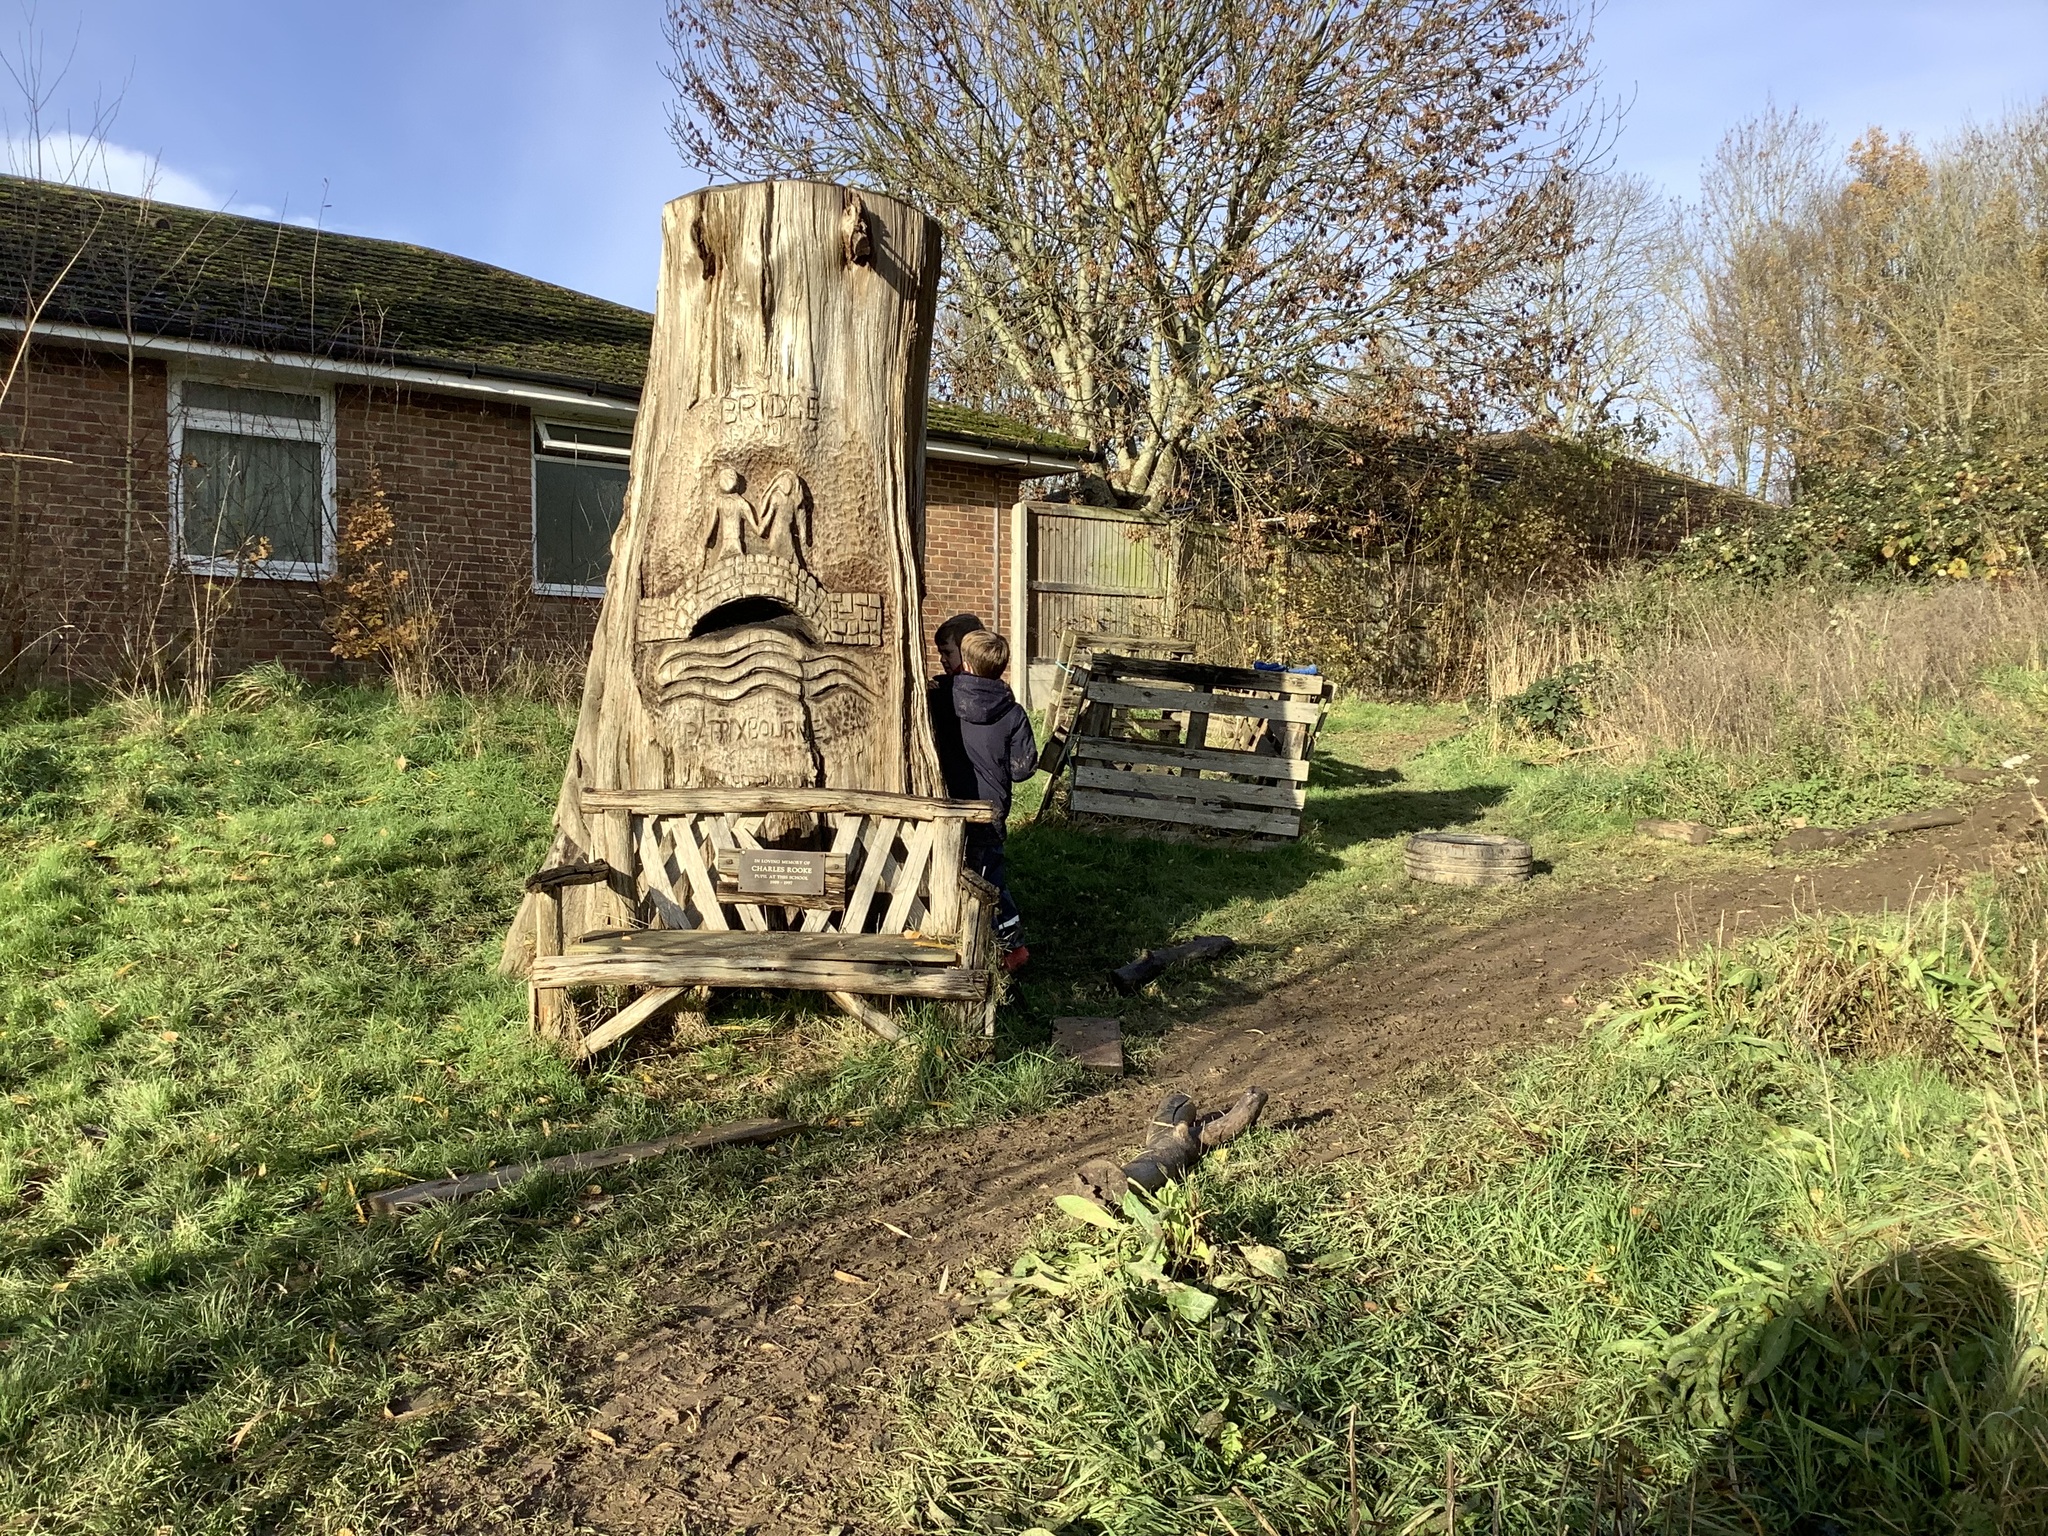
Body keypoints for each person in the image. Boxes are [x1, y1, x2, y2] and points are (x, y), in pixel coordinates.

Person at [932, 624, 1036, 970]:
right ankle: (1009, 947)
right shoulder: (1013, 712)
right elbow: (1023, 769)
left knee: (957, 870)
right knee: (990, 877)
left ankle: (997, 945)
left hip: (948, 805)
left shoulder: (941, 701)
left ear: (966, 663)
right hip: (991, 810)